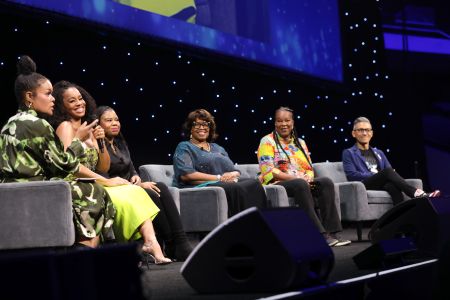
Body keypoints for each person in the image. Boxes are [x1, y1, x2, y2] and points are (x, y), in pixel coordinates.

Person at [0, 55, 119, 248]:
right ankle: (85, 250)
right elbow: (64, 166)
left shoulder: (10, 123)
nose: (52, 98)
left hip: (10, 192)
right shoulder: (37, 125)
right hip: (33, 190)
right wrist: (78, 140)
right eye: (47, 94)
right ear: (30, 96)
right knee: (94, 191)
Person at [50, 80, 171, 264]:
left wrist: (100, 143)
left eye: (80, 99)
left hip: (94, 179)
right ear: (62, 106)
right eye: (72, 101)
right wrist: (106, 181)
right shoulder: (65, 127)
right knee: (124, 195)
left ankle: (150, 243)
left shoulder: (89, 127)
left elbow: (103, 167)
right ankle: (135, 246)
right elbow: (69, 165)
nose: (79, 103)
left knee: (135, 190)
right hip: (80, 184)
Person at [96, 105, 193, 261]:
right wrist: (137, 185)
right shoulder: (98, 146)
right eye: (108, 120)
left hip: (130, 186)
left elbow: (131, 167)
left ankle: (180, 241)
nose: (115, 123)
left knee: (160, 186)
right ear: (98, 125)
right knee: (150, 192)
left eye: (116, 119)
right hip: (118, 190)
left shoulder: (120, 142)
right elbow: (104, 176)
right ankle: (170, 242)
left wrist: (136, 177)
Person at [257, 106, 350, 247]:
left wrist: (308, 178)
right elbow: (269, 171)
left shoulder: (300, 143)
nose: (283, 124)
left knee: (325, 182)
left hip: (301, 182)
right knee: (299, 184)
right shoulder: (267, 141)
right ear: (275, 123)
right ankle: (318, 234)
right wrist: (298, 179)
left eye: (287, 120)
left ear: (292, 122)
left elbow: (309, 167)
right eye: (279, 121)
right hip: (279, 184)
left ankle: (333, 232)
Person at [173, 108, 267, 216]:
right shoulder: (184, 146)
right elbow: (187, 175)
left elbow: (235, 170)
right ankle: (240, 225)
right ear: (190, 128)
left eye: (205, 124)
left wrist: (232, 174)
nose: (202, 127)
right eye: (196, 124)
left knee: (254, 183)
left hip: (222, 182)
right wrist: (219, 178)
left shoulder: (217, 148)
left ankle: (261, 221)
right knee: (235, 188)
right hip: (200, 185)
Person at [342, 116, 440, 205]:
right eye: (360, 130)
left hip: (381, 183)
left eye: (367, 130)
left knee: (392, 187)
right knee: (388, 172)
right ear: (354, 133)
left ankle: (400, 219)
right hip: (364, 184)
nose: (364, 133)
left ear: (371, 133)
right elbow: (351, 175)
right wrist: (377, 175)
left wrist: (384, 175)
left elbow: (390, 172)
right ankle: (416, 193)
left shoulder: (379, 152)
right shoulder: (348, 153)